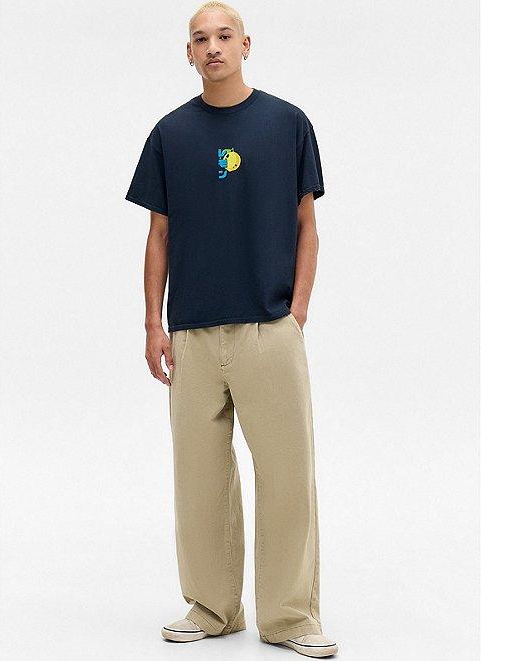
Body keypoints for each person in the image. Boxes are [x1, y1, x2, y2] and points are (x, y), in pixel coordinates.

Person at [125, 2, 338, 657]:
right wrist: (154, 324)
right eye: (200, 38)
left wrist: (297, 311)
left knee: (287, 474)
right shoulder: (169, 133)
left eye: (224, 35)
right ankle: (212, 607)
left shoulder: (287, 124)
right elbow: (158, 235)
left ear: (246, 44)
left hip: (268, 327)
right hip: (191, 332)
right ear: (188, 52)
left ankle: (291, 617)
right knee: (200, 480)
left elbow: (306, 225)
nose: (212, 46)